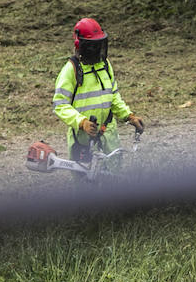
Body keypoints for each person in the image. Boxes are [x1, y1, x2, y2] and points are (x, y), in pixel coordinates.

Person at [52, 18, 145, 169]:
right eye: (92, 46)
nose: (96, 50)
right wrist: (81, 123)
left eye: (98, 45)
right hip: (82, 139)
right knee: (85, 187)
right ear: (80, 45)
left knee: (115, 181)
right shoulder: (71, 69)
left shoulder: (105, 65)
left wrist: (129, 116)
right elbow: (60, 104)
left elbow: (113, 96)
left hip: (109, 136)